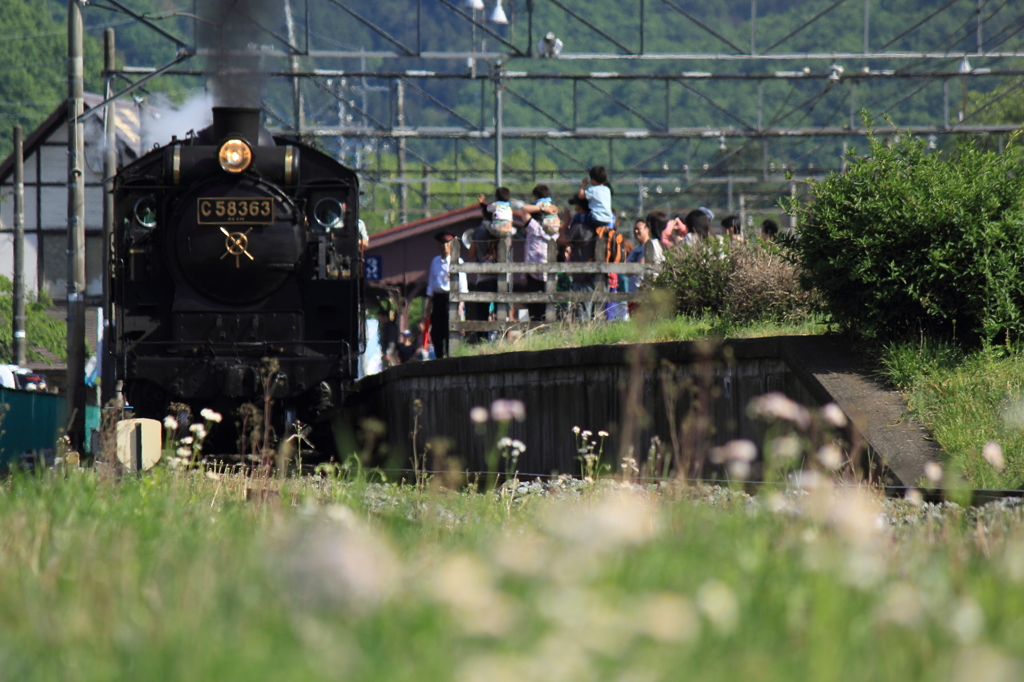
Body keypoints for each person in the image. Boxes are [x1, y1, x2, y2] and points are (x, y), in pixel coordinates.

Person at [425, 231, 461, 359]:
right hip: (438, 298)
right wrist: (428, 304)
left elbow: (463, 286)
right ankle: (439, 357)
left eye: (447, 243)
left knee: (449, 329)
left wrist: (461, 305)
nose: (444, 246)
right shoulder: (435, 261)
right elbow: (431, 284)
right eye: (442, 243)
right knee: (436, 332)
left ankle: (450, 356)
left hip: (451, 298)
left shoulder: (458, 261)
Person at [565, 197, 598, 321]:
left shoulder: (579, 226)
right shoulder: (597, 225)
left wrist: (566, 221)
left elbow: (563, 240)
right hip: (596, 275)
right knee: (597, 314)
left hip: (582, 277)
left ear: (579, 208)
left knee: (582, 315)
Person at [575, 165, 614, 229]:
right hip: (607, 219)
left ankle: (570, 236)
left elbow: (580, 196)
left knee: (577, 217)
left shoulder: (592, 189)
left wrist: (583, 185)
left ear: (593, 179)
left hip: (595, 218)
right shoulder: (607, 189)